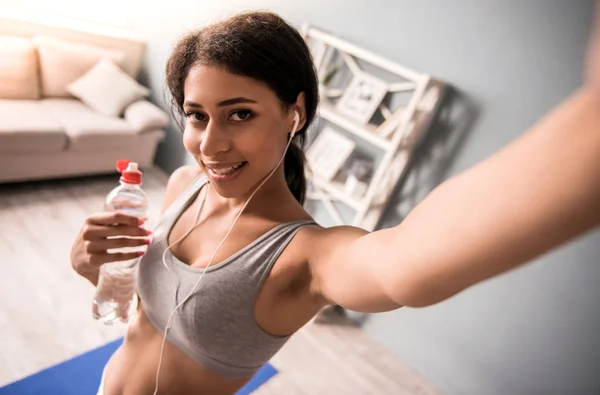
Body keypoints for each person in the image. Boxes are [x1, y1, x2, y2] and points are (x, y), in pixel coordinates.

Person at [70, 8, 600, 395]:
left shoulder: (307, 259)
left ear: (294, 113)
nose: (210, 144)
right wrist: (92, 268)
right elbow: (143, 315)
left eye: (240, 114)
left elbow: (406, 264)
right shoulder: (185, 185)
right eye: (198, 115)